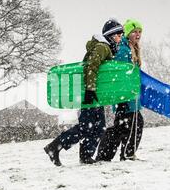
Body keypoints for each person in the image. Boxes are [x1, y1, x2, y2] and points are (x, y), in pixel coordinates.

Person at [44, 19, 124, 166]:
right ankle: (55, 147)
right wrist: (90, 89)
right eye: (119, 34)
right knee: (86, 127)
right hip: (89, 92)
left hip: (94, 94)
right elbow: (91, 66)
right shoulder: (102, 47)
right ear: (111, 35)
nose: (121, 37)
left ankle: (85, 156)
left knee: (98, 127)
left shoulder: (106, 48)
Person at [96, 19, 144, 162]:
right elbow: (119, 74)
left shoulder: (130, 48)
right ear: (128, 33)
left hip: (127, 95)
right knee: (134, 123)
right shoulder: (124, 50)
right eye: (135, 31)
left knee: (121, 127)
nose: (138, 34)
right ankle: (127, 155)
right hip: (125, 96)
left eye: (140, 32)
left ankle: (106, 156)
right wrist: (126, 92)